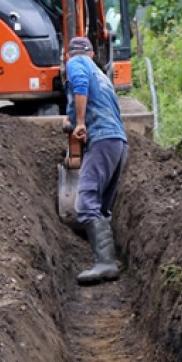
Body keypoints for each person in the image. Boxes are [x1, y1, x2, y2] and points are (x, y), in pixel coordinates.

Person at [64, 36, 128, 285]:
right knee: (102, 206)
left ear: (71, 55)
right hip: (118, 142)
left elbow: (79, 84)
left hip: (101, 140)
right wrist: (72, 121)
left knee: (86, 202)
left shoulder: (76, 64)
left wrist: (79, 123)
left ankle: (105, 263)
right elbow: (98, 106)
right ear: (92, 53)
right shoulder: (101, 75)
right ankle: (109, 258)